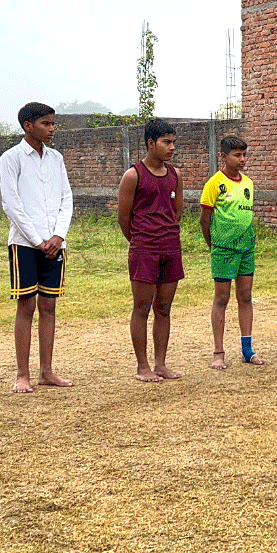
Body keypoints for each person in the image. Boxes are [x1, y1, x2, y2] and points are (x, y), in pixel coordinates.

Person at [0, 102, 74, 393]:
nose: (52, 129)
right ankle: (22, 374)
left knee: (49, 305)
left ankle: (47, 371)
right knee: (26, 305)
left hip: (55, 243)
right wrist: (38, 240)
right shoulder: (11, 158)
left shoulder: (56, 158)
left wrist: (58, 236)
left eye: (53, 124)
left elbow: (66, 198)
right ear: (28, 126)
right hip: (24, 244)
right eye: (46, 123)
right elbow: (11, 204)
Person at [117, 119, 184, 382]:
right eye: (167, 142)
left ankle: (161, 364)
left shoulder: (175, 175)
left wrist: (166, 234)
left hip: (171, 248)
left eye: (174, 142)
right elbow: (124, 218)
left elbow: (176, 212)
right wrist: (141, 241)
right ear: (151, 143)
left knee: (164, 308)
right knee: (142, 307)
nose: (172, 147)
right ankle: (142, 366)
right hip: (144, 249)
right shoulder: (133, 175)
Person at [200, 134, 264, 369]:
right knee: (222, 298)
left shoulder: (248, 183)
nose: (242, 159)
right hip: (223, 249)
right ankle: (218, 352)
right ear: (224, 157)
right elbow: (204, 219)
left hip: (246, 248)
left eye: (244, 155)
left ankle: (247, 350)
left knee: (245, 296)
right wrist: (215, 245)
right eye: (237, 155)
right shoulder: (214, 183)